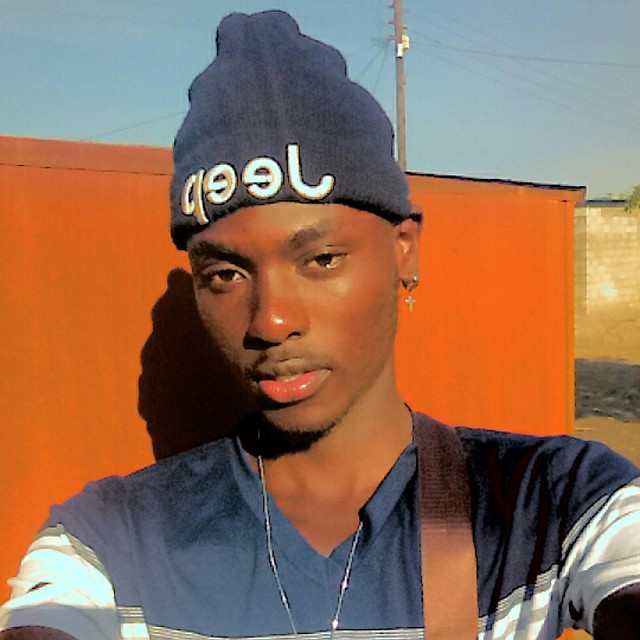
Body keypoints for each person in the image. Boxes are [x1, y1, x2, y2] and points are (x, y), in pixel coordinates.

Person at [1, 10, 639, 640]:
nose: (272, 321)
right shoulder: (111, 544)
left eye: (322, 259)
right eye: (224, 274)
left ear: (404, 251)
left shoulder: (549, 504)